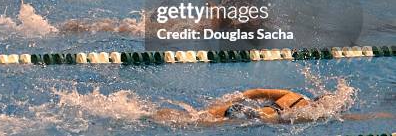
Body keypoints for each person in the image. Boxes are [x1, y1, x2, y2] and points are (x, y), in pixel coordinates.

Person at [153, 88, 393, 125]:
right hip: (255, 117)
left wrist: (231, 101)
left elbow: (256, 92)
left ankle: (147, 113)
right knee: (192, 123)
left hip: (245, 108)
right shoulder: (312, 112)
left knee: (195, 117)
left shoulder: (293, 95)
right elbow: (350, 119)